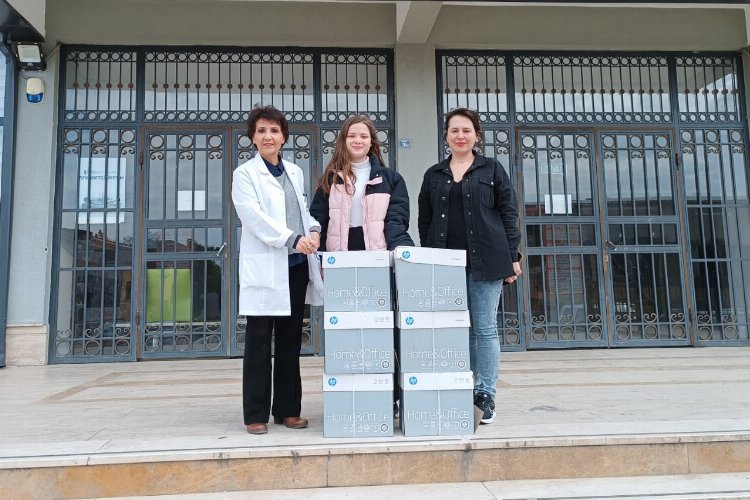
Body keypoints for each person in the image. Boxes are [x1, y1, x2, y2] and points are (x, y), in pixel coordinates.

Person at [417, 107, 521, 425]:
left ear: (477, 135)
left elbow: (508, 212)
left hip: (487, 260)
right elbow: (425, 220)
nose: (460, 136)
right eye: (454, 130)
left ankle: (484, 394)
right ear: (446, 136)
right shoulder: (434, 174)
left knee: (484, 329)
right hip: (445, 264)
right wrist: (428, 257)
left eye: (466, 130)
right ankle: (460, 385)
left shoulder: (492, 169)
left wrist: (513, 256)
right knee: (455, 329)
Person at [232, 105, 323, 435]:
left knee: (290, 338)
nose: (268, 136)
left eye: (274, 130)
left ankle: (287, 409)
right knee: (258, 339)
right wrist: (293, 238)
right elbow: (254, 218)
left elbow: (302, 211)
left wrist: (314, 230)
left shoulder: (294, 172)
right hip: (266, 265)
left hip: (295, 266)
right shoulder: (245, 174)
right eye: (261, 131)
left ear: (284, 137)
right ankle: (255, 413)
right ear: (252, 138)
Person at [309, 115, 414, 252]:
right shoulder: (331, 179)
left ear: (371, 142)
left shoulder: (391, 179)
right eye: (351, 136)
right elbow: (318, 219)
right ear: (343, 141)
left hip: (377, 255)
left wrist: (402, 249)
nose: (357, 141)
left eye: (364, 136)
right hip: (337, 256)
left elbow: (396, 221)